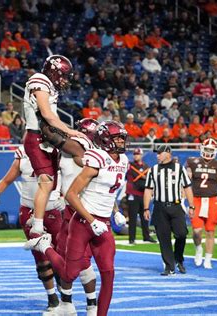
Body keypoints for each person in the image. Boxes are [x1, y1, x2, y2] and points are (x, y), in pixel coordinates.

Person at [25, 121, 129, 316]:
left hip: (103, 223)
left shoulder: (123, 161)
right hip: (82, 222)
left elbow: (108, 190)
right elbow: (72, 194)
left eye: (122, 138)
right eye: (117, 138)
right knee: (68, 274)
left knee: (109, 274)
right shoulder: (93, 156)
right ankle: (44, 245)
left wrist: (115, 211)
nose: (121, 142)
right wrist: (92, 220)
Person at [0, 146, 64, 315]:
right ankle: (52, 297)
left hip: (53, 209)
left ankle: (63, 291)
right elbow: (6, 179)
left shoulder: (58, 150)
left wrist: (65, 197)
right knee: (40, 257)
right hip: (29, 211)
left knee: (60, 255)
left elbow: (71, 176)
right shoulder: (23, 153)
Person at [22, 55, 85, 238]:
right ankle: (37, 226)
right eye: (63, 75)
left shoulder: (48, 85)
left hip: (47, 138)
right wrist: (70, 131)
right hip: (37, 138)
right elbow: (47, 114)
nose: (65, 80)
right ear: (54, 71)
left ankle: (36, 217)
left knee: (53, 180)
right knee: (46, 182)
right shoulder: (39, 80)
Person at [53, 118, 109, 315]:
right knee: (64, 256)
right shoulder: (68, 155)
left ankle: (91, 305)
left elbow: (103, 186)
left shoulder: (86, 154)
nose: (75, 135)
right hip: (67, 209)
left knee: (82, 261)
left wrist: (44, 121)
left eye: (79, 132)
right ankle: (66, 302)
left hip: (82, 211)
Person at [143, 145, 195, 275]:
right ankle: (169, 266)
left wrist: (192, 206)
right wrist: (146, 208)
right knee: (164, 238)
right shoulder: (153, 170)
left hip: (176, 206)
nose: (157, 155)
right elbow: (148, 189)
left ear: (168, 153)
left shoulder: (179, 169)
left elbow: (187, 188)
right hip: (160, 207)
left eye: (160, 153)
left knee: (181, 233)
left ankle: (178, 259)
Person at [186, 138, 217, 269]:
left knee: (210, 231)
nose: (208, 152)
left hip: (212, 200)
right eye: (207, 149)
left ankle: (208, 258)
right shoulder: (193, 162)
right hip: (197, 199)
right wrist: (183, 199)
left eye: (211, 150)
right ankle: (198, 248)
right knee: (197, 231)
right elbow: (186, 183)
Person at [126, 148, 155, 244]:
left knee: (145, 216)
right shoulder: (130, 166)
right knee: (132, 217)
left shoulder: (146, 166)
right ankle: (132, 238)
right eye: (134, 154)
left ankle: (146, 236)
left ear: (141, 155)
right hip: (133, 194)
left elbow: (149, 180)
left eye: (137, 154)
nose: (135, 155)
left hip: (143, 195)